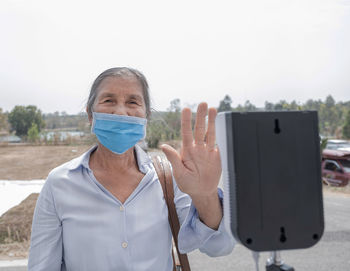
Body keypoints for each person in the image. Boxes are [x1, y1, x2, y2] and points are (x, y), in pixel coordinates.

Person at [28, 67, 235, 271]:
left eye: (132, 102)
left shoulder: (169, 178)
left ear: (146, 116)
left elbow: (219, 247)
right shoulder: (59, 183)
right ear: (90, 115)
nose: (120, 112)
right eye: (108, 100)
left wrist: (205, 197)